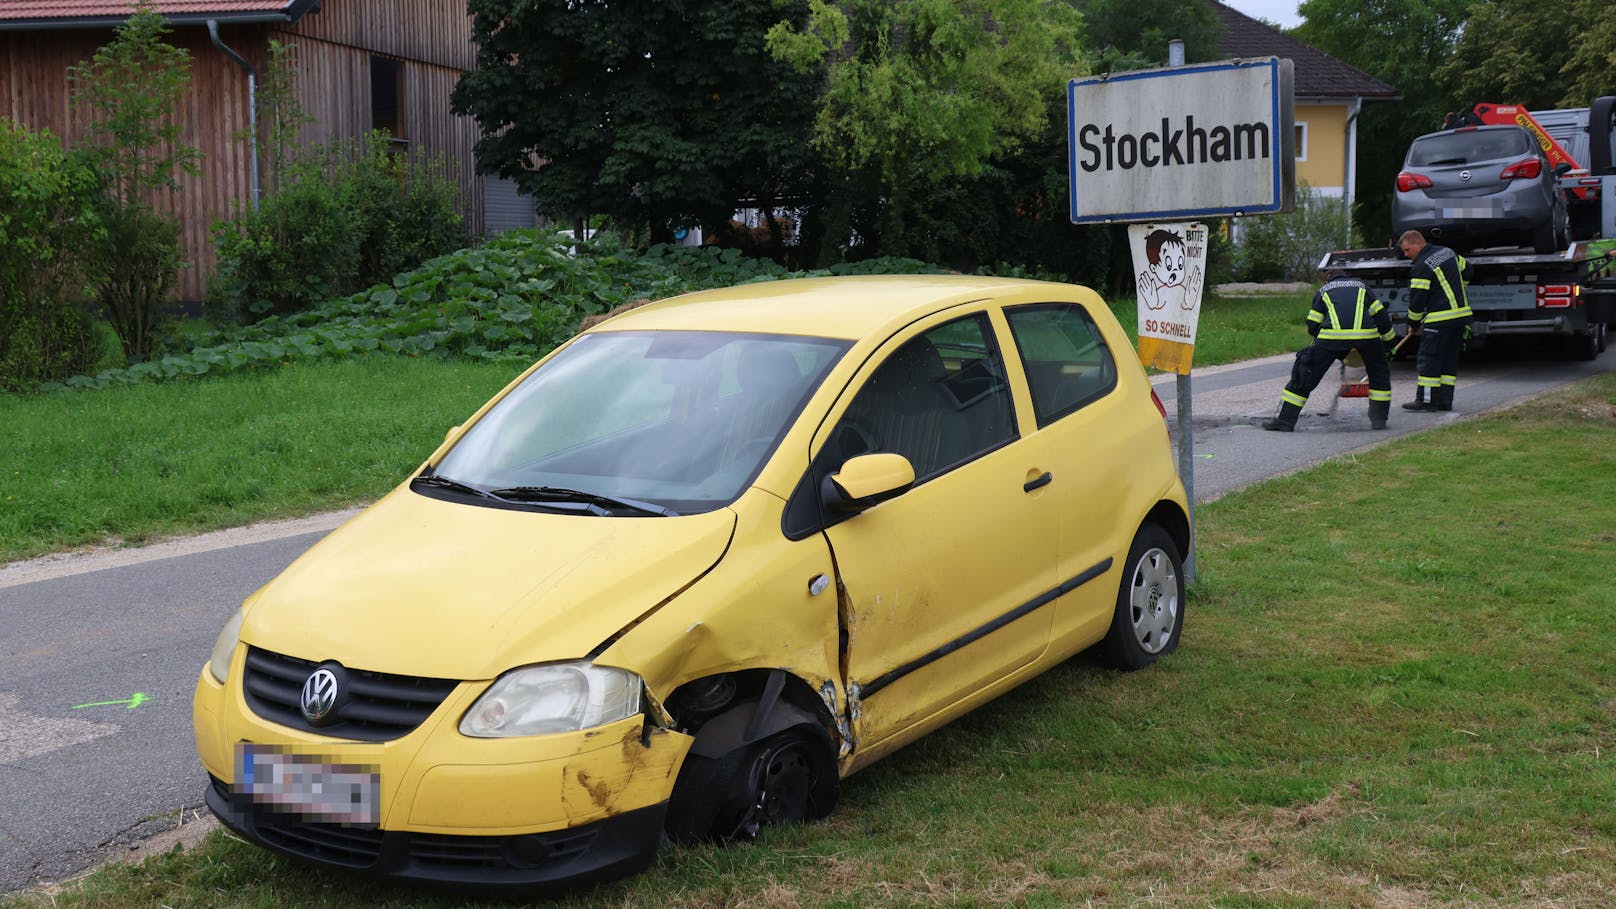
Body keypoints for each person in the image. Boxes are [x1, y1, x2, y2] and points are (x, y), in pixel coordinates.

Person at [1261, 270, 1396, 432]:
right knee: (1379, 375)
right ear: (1346, 277)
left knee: (1304, 375)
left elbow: (1312, 324)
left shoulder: (1324, 291)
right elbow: (1382, 317)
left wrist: (1324, 343)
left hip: (1331, 338)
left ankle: (1285, 421)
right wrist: (1389, 345)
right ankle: (1379, 420)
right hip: (1367, 338)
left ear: (1327, 280)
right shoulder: (1363, 288)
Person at [1397, 229, 1473, 412]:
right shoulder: (1447, 252)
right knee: (1448, 361)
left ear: (1417, 243)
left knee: (1429, 360)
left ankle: (1427, 401)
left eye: (1407, 250)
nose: (1406, 255)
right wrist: (1458, 288)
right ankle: (1445, 401)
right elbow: (1469, 271)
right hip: (1460, 317)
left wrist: (1413, 324)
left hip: (1440, 319)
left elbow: (1416, 301)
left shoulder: (1421, 266)